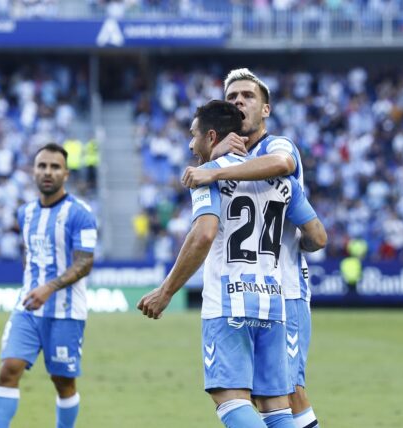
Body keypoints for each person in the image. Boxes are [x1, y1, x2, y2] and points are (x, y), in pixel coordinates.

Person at [138, 100, 325, 428]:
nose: (190, 143)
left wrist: (166, 292)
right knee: (276, 407)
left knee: (230, 399)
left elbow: (204, 234)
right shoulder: (281, 180)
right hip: (274, 304)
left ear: (211, 136)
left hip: (229, 303)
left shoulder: (206, 174)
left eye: (194, 135)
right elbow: (318, 237)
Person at [0, 143, 98, 428]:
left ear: (66, 174)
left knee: (63, 382)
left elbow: (85, 263)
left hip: (65, 313)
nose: (47, 172)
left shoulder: (81, 214)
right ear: (33, 171)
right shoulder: (25, 213)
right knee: (8, 370)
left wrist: (48, 288)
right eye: (42, 166)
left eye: (54, 167)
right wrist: (33, 285)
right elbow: (29, 253)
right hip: (27, 309)